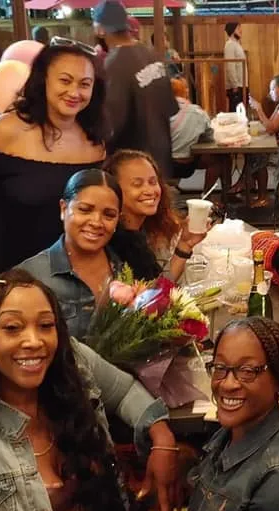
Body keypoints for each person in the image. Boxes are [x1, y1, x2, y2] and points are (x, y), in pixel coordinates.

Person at [0, 270, 174, 511]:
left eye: (45, 325)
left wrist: (162, 439)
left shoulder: (72, 367)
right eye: (12, 328)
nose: (34, 341)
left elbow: (123, 391)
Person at [0, 42, 106, 274]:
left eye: (84, 84)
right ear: (43, 80)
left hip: (72, 277)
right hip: (7, 275)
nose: (74, 93)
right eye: (65, 80)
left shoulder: (95, 140)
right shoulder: (4, 130)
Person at [187, 317, 279, 511]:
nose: (228, 383)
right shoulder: (230, 434)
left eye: (247, 371)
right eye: (220, 367)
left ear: (278, 380)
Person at [18, 169, 123, 340]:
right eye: (85, 210)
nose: (96, 222)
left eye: (108, 215)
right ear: (63, 208)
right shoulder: (29, 276)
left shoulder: (126, 268)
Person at [95, 0, 179, 181]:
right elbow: (171, 107)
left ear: (100, 29)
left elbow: (111, 126)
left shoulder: (114, 64)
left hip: (132, 167)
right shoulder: (152, 55)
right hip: (161, 157)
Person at [106, 150, 208, 281]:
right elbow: (151, 296)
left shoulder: (140, 232)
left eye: (153, 182)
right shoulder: (116, 241)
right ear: (114, 191)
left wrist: (185, 244)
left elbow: (158, 289)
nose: (149, 191)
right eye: (137, 184)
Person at [243, 74, 279, 208]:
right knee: (252, 152)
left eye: (272, 89)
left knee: (259, 154)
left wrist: (259, 108)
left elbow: (271, 128)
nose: (270, 93)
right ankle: (248, 182)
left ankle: (263, 196)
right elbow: (270, 124)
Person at [169, 76, 220, 186]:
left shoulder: (156, 111)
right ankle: (207, 196)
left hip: (162, 166)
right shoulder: (198, 112)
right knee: (220, 159)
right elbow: (210, 138)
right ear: (185, 92)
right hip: (187, 164)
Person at [223, 22, 245, 112]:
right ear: (232, 31)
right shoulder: (230, 44)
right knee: (236, 111)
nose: (241, 31)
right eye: (238, 28)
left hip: (241, 83)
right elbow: (230, 65)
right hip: (236, 85)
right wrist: (234, 85)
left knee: (241, 110)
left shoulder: (237, 44)